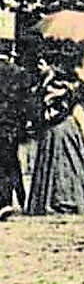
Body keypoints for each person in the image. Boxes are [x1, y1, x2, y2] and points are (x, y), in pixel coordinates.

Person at [25, 39, 84, 216]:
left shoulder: (56, 84)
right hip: (68, 127)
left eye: (42, 63)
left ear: (51, 64)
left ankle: (62, 200)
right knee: (71, 163)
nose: (39, 67)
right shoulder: (71, 81)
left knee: (60, 164)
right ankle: (72, 197)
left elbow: (54, 108)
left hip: (58, 127)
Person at [0, 53, 30, 220]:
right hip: (11, 126)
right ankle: (21, 198)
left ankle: (4, 202)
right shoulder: (19, 72)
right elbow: (25, 102)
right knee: (11, 162)